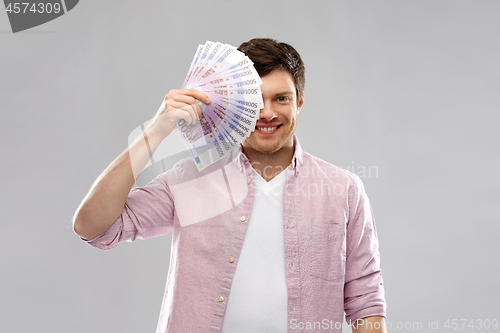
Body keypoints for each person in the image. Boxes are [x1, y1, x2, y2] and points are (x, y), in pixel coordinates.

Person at [73, 38, 387, 333]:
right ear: (235, 105)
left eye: (281, 98)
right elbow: (93, 226)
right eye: (255, 101)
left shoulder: (343, 189)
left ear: (299, 102)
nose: (267, 113)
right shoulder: (191, 179)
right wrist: (156, 130)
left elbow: (366, 299)